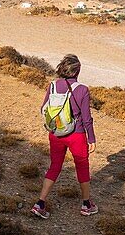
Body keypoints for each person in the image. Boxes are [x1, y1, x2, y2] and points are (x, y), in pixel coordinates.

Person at [31, 54, 97, 218]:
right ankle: (86, 204)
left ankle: (40, 203)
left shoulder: (52, 85)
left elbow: (43, 109)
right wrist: (92, 138)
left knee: (55, 166)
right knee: (82, 166)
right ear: (77, 71)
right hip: (77, 135)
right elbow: (87, 118)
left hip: (56, 133)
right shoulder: (82, 89)